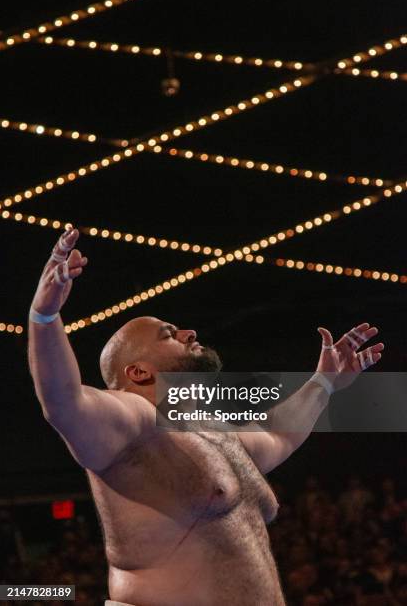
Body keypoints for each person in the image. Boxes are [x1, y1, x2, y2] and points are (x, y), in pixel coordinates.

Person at [28, 229, 384, 606]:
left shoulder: (216, 435)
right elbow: (64, 402)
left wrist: (323, 383)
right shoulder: (134, 419)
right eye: (168, 334)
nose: (188, 332)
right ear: (138, 373)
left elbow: (279, 434)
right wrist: (45, 316)